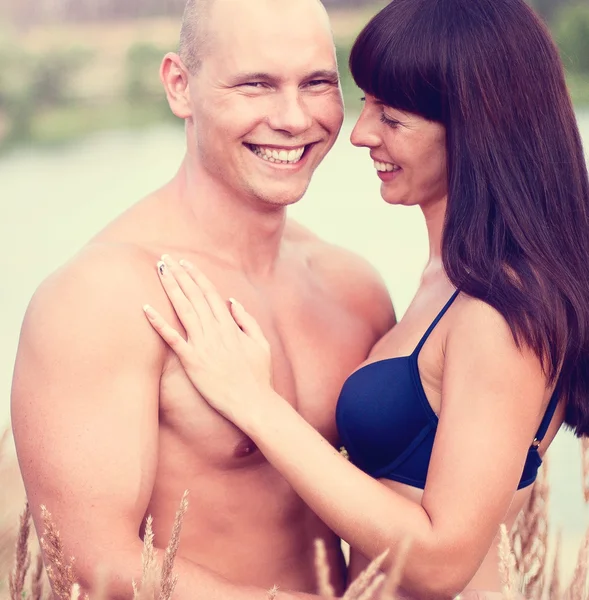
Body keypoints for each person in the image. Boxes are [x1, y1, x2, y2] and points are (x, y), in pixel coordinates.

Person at [142, 0, 589, 598]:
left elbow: (439, 561)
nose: (360, 134)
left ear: (477, 127)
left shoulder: (498, 310)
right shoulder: (450, 280)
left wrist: (254, 402)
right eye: (365, 102)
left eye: (393, 118)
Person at [9, 0, 395, 598]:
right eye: (256, 84)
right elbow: (95, 561)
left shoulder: (355, 289)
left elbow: (392, 516)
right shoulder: (101, 298)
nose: (294, 118)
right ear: (180, 85)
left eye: (317, 82)